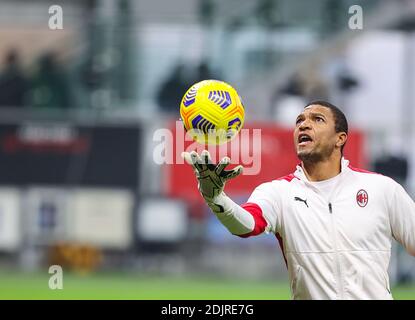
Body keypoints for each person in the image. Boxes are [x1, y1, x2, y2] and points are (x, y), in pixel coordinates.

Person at [182, 100, 415, 300]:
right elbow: (246, 225)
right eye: (299, 120)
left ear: (340, 138)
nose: (304, 124)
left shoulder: (381, 189)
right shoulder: (278, 192)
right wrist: (216, 199)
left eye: (317, 119)